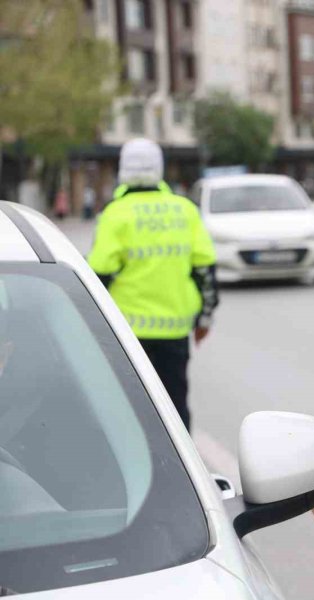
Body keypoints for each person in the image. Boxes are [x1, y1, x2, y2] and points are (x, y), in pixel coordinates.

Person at [87, 138, 218, 432]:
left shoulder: (115, 214)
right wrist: (205, 318)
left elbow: (99, 275)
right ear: (159, 170)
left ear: (123, 171)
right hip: (175, 332)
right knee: (174, 407)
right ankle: (184, 471)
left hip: (127, 335)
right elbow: (205, 270)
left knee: (131, 409)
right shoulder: (184, 210)